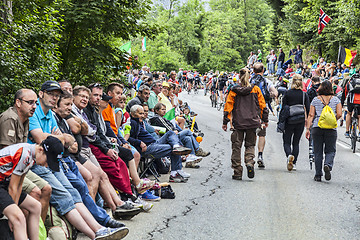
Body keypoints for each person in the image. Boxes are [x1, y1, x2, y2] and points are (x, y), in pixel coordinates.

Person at [29, 81, 129, 239]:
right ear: (41, 94)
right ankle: (96, 231)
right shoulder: (35, 113)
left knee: (77, 190)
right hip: (40, 162)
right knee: (69, 192)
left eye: (57, 95)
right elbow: (42, 138)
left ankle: (101, 224)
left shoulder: (50, 114)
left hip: (57, 160)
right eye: (51, 94)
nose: (54, 98)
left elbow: (65, 141)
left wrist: (60, 138)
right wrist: (61, 138)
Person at [0, 89, 52, 223]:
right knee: (35, 191)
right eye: (30, 103)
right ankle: (17, 225)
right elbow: (9, 154)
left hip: (23, 163)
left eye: (36, 103)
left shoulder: (26, 119)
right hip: (9, 168)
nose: (34, 106)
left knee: (46, 188)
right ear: (18, 102)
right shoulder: (10, 118)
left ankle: (39, 232)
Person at [0, 136, 61, 240]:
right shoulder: (25, 154)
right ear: (41, 150)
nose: (46, 165)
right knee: (18, 218)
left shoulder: (32, 157)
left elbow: (19, 185)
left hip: (5, 183)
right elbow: (13, 187)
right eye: (48, 161)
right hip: (4, 184)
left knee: (36, 206)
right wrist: (12, 217)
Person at [222, 68, 269, 180]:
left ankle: (237, 171)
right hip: (252, 122)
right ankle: (249, 162)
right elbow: (263, 106)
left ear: (239, 76)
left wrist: (225, 122)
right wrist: (265, 120)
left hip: (238, 123)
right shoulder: (255, 89)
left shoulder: (233, 90)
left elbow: (228, 108)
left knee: (236, 147)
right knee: (250, 145)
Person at [129, 105, 192, 183]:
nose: (143, 115)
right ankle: (174, 173)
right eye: (140, 113)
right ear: (132, 114)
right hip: (148, 148)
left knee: (170, 133)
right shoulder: (132, 123)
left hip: (154, 142)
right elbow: (128, 138)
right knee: (173, 149)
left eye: (143, 113)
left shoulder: (140, 122)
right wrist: (139, 142)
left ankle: (176, 148)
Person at [305, 81, 342, 182]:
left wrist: (308, 128)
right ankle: (327, 165)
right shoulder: (336, 100)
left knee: (317, 151)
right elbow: (339, 114)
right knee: (331, 150)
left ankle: (318, 174)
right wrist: (331, 119)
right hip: (331, 129)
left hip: (317, 128)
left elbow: (311, 115)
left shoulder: (315, 100)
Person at [250, 62, 278, 168]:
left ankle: (250, 156)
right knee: (261, 134)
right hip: (262, 110)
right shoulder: (267, 81)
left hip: (251, 110)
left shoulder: (250, 81)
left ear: (253, 71)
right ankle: (260, 155)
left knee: (252, 133)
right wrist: (268, 95)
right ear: (263, 71)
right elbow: (275, 93)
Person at [281, 74, 310, 171]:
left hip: (289, 119)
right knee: (296, 142)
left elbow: (283, 106)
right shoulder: (303, 94)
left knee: (287, 141)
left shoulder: (287, 93)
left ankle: (289, 155)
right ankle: (295, 162)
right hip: (300, 120)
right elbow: (308, 108)